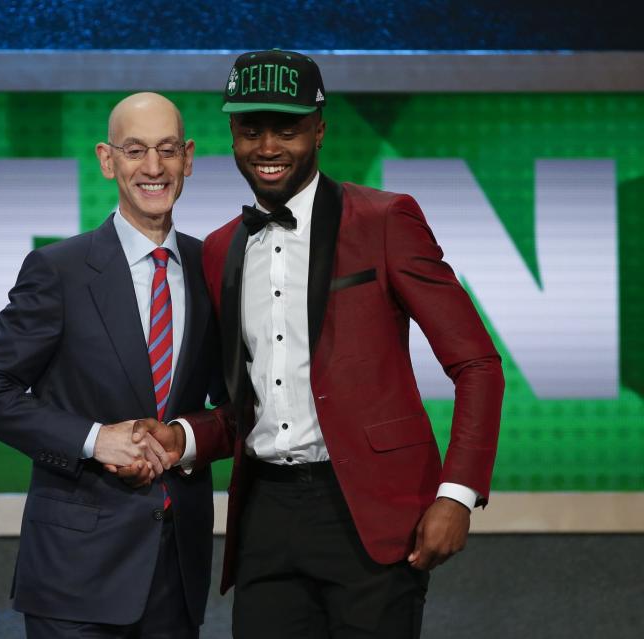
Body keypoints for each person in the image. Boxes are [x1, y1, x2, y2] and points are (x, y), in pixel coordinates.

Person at [145, 50, 505, 638]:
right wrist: (183, 438)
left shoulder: (387, 220)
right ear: (231, 133)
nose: (267, 147)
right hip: (265, 518)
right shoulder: (218, 249)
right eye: (250, 129)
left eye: (286, 129)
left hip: (373, 511)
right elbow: (245, 406)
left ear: (320, 128)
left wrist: (457, 495)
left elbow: (477, 364)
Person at [0, 92, 224, 639]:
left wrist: (183, 438)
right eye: (135, 150)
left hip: (177, 568)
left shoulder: (213, 266)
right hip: (74, 573)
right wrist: (95, 439)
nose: (153, 167)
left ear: (189, 158)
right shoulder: (60, 270)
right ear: (107, 159)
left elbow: (243, 403)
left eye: (168, 150)